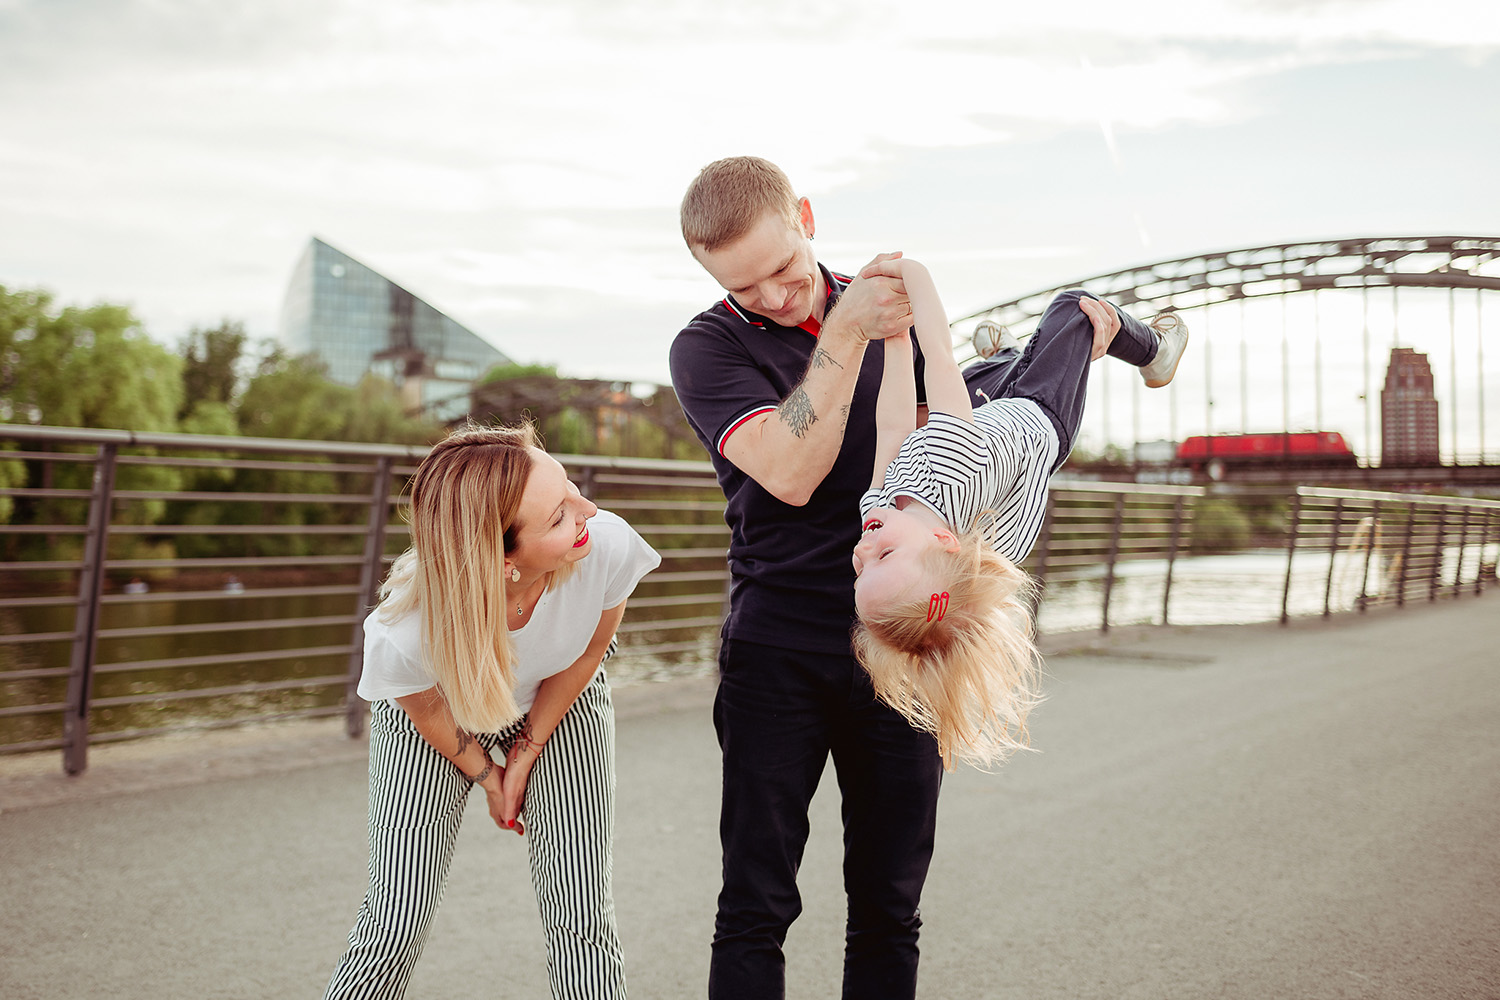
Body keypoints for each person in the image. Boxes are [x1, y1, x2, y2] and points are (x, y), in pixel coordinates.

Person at [668, 155, 934, 1000]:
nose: (778, 298)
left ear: (807, 216)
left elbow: (953, 457)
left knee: (889, 906)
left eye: (784, 271)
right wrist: (848, 332)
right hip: (776, 648)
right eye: (750, 291)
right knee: (755, 902)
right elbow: (788, 469)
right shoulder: (706, 346)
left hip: (899, 643)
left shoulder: (903, 311)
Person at [322, 423, 660, 1000]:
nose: (589, 509)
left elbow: (585, 658)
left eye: (570, 488)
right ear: (501, 557)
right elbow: (427, 713)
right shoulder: (407, 633)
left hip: (561, 696)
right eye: (558, 516)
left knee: (582, 920)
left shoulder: (605, 544)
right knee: (395, 923)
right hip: (443, 714)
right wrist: (487, 774)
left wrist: (526, 752)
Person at [850, 257, 1188, 769]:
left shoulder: (878, 509)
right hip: (1039, 419)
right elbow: (939, 354)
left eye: (861, 565)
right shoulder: (952, 478)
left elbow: (893, 420)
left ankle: (1007, 353)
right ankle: (1156, 351)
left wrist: (894, 340)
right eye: (885, 555)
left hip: (987, 411)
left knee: (966, 382)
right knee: (1072, 309)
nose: (865, 546)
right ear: (945, 543)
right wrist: (915, 280)